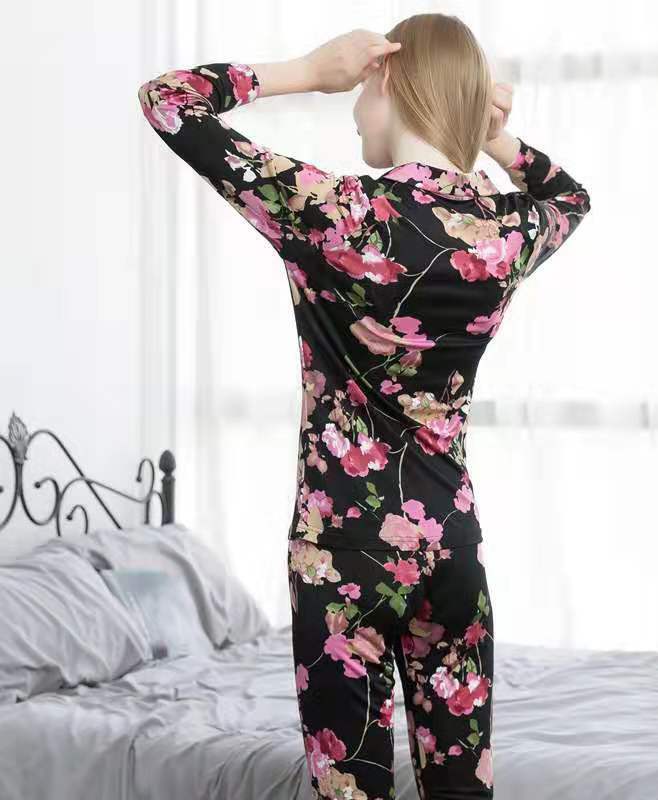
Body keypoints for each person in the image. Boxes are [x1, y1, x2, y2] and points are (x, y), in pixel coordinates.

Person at [138, 13, 590, 800]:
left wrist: (308, 72)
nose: (351, 111)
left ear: (385, 78)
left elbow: (168, 100)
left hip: (342, 553)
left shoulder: (333, 210)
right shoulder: (504, 231)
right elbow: (570, 197)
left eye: (356, 92)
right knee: (462, 790)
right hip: (450, 544)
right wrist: (493, 137)